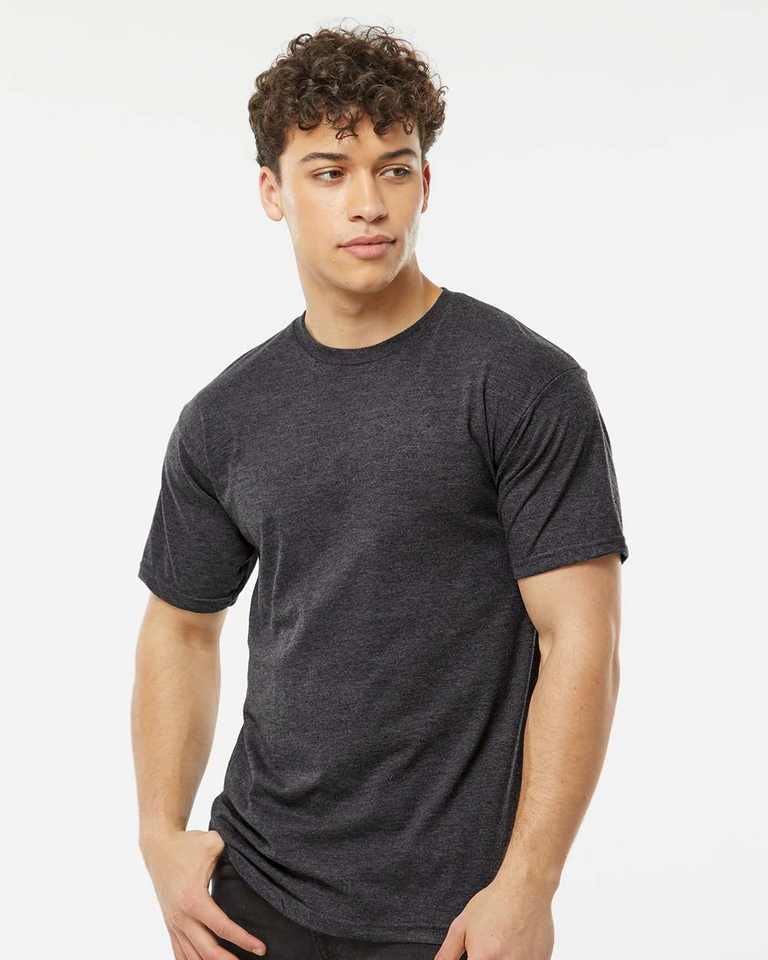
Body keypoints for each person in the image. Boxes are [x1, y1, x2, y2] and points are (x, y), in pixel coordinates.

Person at [132, 23, 629, 960]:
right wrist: (160, 834)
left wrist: (530, 883)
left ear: (424, 183)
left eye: (393, 169)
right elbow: (180, 627)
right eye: (329, 172)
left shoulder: (521, 383)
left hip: (453, 916)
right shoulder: (224, 416)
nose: (368, 203)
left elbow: (583, 641)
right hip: (252, 893)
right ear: (272, 192)